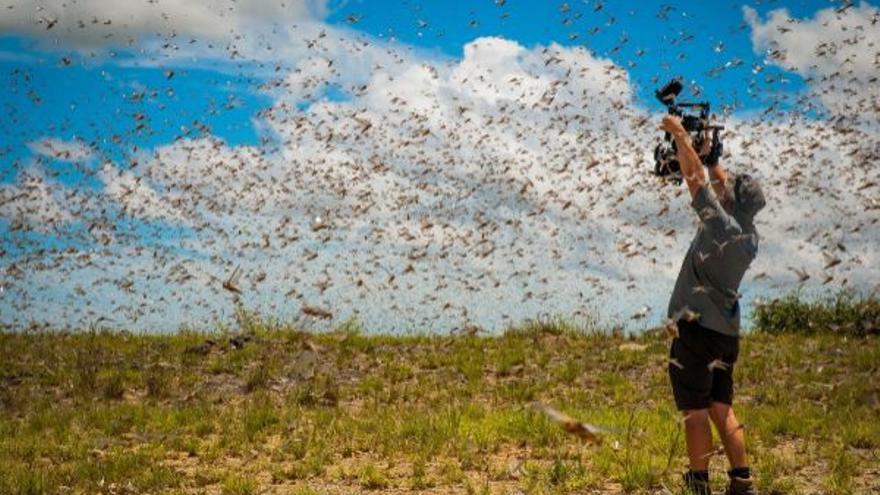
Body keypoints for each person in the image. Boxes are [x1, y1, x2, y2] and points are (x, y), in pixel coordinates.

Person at [659, 114, 766, 495]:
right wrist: (712, 157)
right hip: (726, 335)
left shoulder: (719, 224)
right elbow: (720, 185)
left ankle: (698, 483)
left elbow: (694, 182)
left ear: (730, 201)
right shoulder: (749, 236)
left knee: (696, 411)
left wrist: (680, 137)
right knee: (723, 407)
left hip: (697, 331)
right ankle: (742, 480)